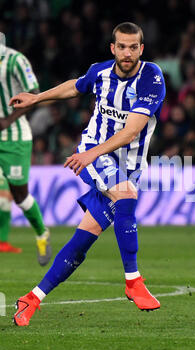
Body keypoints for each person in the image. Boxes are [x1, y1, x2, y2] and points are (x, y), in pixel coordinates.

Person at [10, 22, 166, 326]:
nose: (127, 53)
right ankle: (133, 281)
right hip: (95, 151)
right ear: (113, 48)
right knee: (126, 196)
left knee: (84, 240)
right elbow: (75, 85)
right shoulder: (100, 72)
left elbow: (133, 130)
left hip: (127, 165)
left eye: (133, 47)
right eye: (121, 46)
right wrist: (37, 98)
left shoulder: (151, 77)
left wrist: (91, 155)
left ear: (141, 49)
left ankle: (32, 298)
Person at [0, 37, 52, 265]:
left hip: (14, 138)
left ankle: (42, 233)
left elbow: (35, 93)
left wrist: (7, 120)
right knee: (2, 200)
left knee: (19, 195)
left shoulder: (15, 60)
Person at [0, 168, 22, 253]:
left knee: (5, 219)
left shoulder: (7, 164)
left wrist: (13, 192)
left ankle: (3, 243)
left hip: (7, 197)